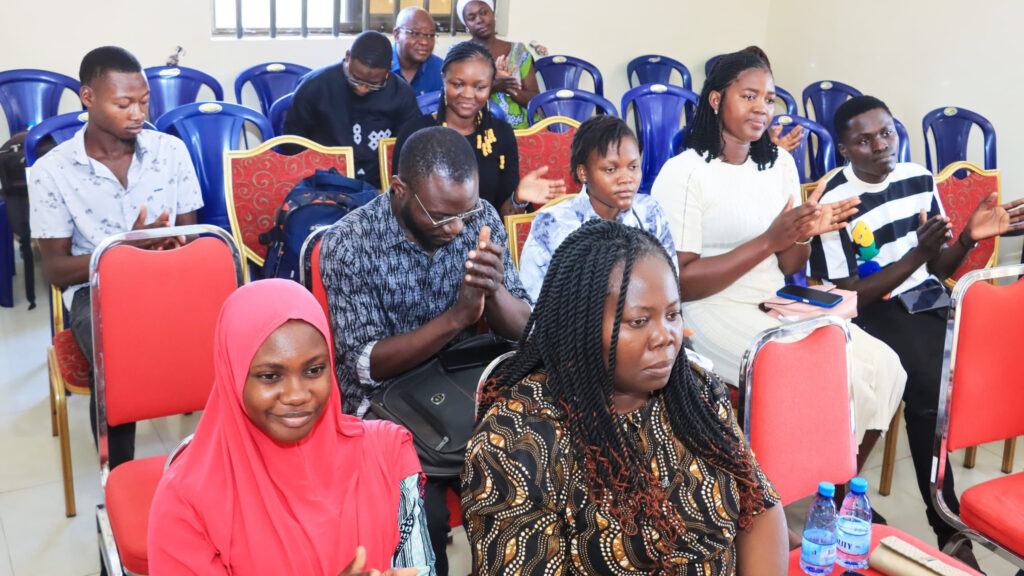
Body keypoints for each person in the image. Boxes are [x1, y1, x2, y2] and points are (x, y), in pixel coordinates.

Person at [463, 220, 788, 575]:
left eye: (673, 314)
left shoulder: (696, 391)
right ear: (580, 325)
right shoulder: (518, 438)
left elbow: (759, 504)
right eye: (638, 321)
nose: (666, 336)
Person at [650, 52, 905, 477]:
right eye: (748, 96)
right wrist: (770, 237)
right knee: (815, 373)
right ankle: (771, 500)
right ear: (716, 100)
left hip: (774, 302)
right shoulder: (685, 173)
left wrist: (803, 230)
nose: (761, 109)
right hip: (708, 310)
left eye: (769, 99)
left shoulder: (780, 164)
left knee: (882, 366)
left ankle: (838, 488)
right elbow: (682, 283)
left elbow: (791, 264)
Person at [809, 95, 1024, 550]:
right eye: (864, 141)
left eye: (886, 133)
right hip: (872, 310)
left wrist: (967, 237)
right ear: (844, 150)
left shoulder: (917, 177)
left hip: (924, 296)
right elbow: (851, 296)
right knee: (932, 386)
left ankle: (982, 509)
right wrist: (917, 256)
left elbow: (938, 266)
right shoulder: (834, 203)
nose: (881, 145)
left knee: (997, 355)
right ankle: (947, 523)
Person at [321, 126, 532, 576]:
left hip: (458, 388)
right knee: (425, 518)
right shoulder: (349, 243)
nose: (457, 228)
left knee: (529, 476)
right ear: (399, 190)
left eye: (465, 211)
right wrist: (457, 317)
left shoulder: (480, 218)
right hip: (384, 405)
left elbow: (522, 332)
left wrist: (492, 290)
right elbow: (366, 365)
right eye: (440, 217)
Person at [148, 279, 433, 576]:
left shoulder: (385, 452)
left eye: (314, 370)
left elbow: (418, 568)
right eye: (270, 376)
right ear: (233, 375)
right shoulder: (187, 499)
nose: (297, 395)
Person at [29, 46, 203, 470]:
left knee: (230, 342)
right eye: (123, 104)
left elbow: (191, 236)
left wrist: (171, 247)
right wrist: (125, 249)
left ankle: (213, 470)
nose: (137, 113)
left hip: (172, 279)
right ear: (88, 98)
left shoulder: (170, 153)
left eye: (144, 101)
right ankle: (121, 479)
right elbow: (55, 271)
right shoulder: (53, 172)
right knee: (117, 363)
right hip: (98, 290)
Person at [392, 41, 564, 216]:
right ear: (443, 79)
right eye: (458, 84)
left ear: (491, 85)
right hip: (429, 239)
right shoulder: (416, 133)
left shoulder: (501, 134)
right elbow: (399, 208)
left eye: (479, 87)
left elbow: (503, 217)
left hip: (486, 239)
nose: (468, 95)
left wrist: (518, 198)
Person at [518, 115, 675, 301]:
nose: (626, 179)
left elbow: (671, 286)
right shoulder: (552, 224)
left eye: (633, 166)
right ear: (583, 172)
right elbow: (534, 305)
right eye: (611, 169)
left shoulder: (649, 212)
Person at [284, 30, 419, 189]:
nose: (362, 89)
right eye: (355, 79)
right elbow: (292, 142)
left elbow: (410, 146)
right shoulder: (315, 86)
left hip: (379, 186)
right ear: (348, 57)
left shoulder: (401, 94)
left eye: (373, 84)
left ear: (389, 69)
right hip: (324, 184)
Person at [457, 0, 539, 129]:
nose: (479, 20)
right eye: (471, 18)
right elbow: (455, 99)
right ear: (466, 24)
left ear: (492, 14)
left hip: (522, 131)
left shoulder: (519, 52)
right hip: (477, 130)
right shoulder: (459, 54)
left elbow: (535, 101)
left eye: (484, 13)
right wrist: (492, 86)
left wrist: (509, 87)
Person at [392, 7, 444, 96]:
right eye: (415, 33)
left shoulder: (442, 71)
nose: (424, 42)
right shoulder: (377, 66)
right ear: (397, 35)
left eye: (430, 35)